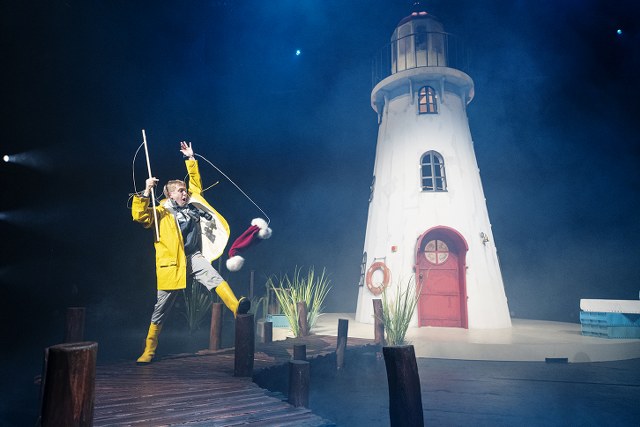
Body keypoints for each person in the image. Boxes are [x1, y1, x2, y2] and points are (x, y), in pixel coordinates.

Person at [131, 141, 250, 364]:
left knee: (214, 278)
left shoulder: (192, 203)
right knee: (161, 308)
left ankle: (236, 308)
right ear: (170, 195)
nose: (185, 193)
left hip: (193, 256)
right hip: (172, 263)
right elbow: (139, 216)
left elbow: (196, 184)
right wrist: (146, 191)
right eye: (180, 191)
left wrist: (190, 158)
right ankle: (149, 349)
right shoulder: (161, 212)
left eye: (185, 190)